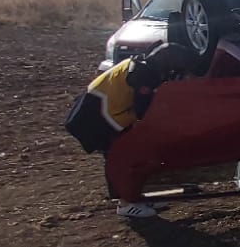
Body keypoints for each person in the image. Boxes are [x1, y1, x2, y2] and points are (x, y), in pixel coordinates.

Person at [64, 43, 196, 218]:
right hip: (96, 117)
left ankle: (138, 196)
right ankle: (126, 203)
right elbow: (144, 110)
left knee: (135, 155)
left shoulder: (142, 64)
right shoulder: (144, 74)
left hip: (102, 111)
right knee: (122, 158)